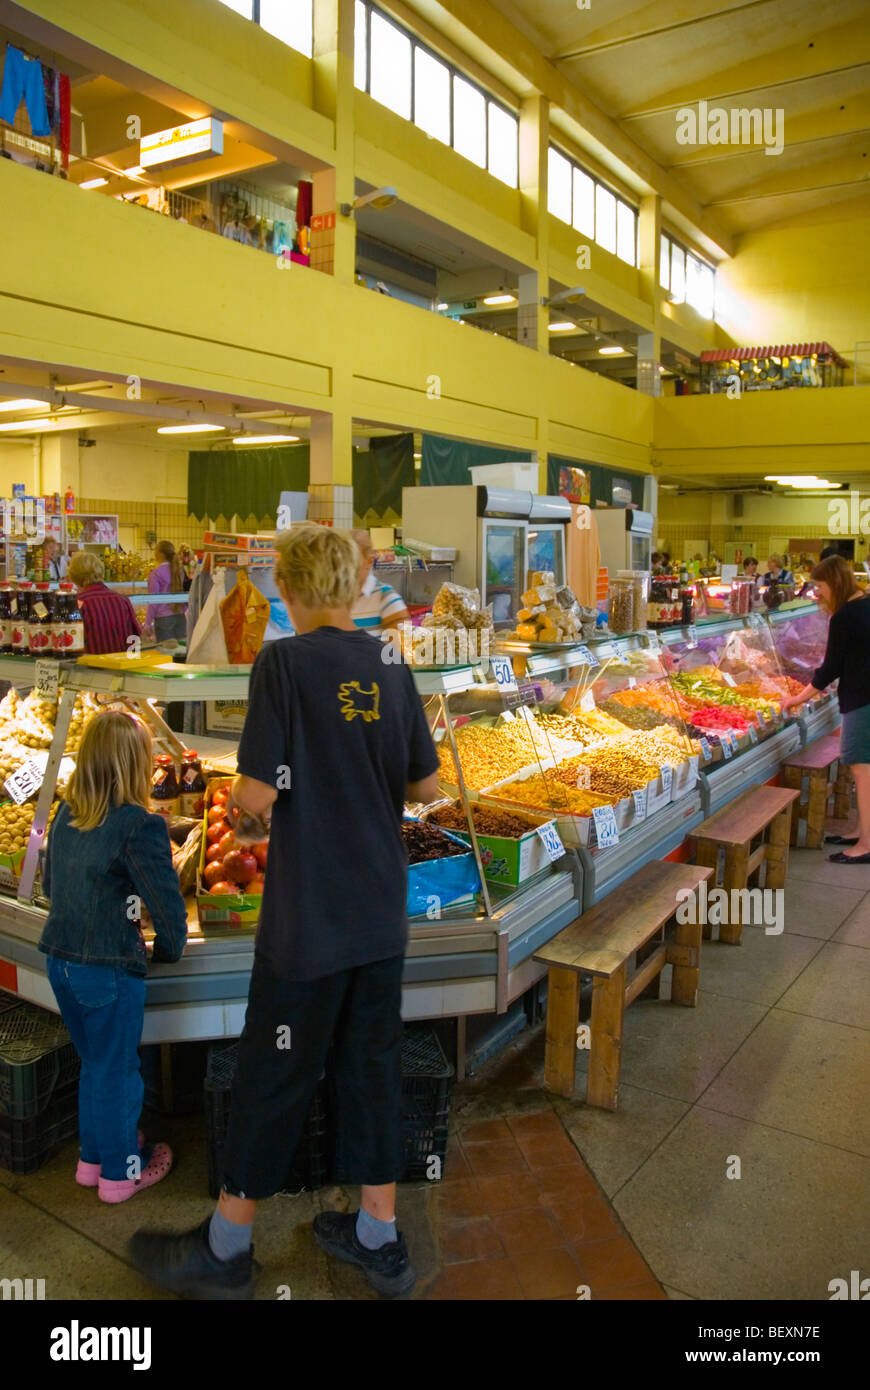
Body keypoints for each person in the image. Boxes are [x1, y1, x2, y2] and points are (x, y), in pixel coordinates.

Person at [128, 522, 440, 1300]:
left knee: (275, 1074)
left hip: (309, 921)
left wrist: (255, 808)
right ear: (354, 586)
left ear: (291, 591)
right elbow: (426, 789)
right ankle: (380, 1240)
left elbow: (256, 796)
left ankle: (227, 1247)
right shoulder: (392, 661)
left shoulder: (283, 663)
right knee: (373, 1069)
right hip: (380, 912)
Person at [38, 711, 188, 1203]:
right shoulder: (138, 824)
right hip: (106, 969)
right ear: (137, 764)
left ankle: (93, 1159)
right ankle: (123, 1175)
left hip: (59, 961)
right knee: (120, 1072)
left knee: (94, 1064)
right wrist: (169, 949)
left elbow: (51, 886)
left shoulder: (65, 810)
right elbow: (165, 905)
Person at [781, 556, 870, 862]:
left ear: (834, 582)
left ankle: (865, 846)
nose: (816, 592)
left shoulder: (845, 615)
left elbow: (830, 667)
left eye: (819, 585)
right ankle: (861, 831)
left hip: (863, 699)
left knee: (862, 769)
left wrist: (797, 699)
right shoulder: (865, 603)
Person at [68, 551, 142, 655]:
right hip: (123, 665)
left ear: (74, 576)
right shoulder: (122, 600)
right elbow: (135, 637)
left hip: (92, 666)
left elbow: (69, 643)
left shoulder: (77, 603)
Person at [350, 529, 409, 633]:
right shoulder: (331, 598)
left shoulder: (385, 597)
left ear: (369, 561)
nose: (345, 566)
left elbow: (401, 645)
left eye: (352, 559)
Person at [146, 540, 186, 642]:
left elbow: (153, 601)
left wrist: (148, 623)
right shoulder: (180, 571)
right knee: (181, 653)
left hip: (164, 619)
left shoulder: (156, 573)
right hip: (181, 617)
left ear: (160, 554)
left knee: (167, 654)